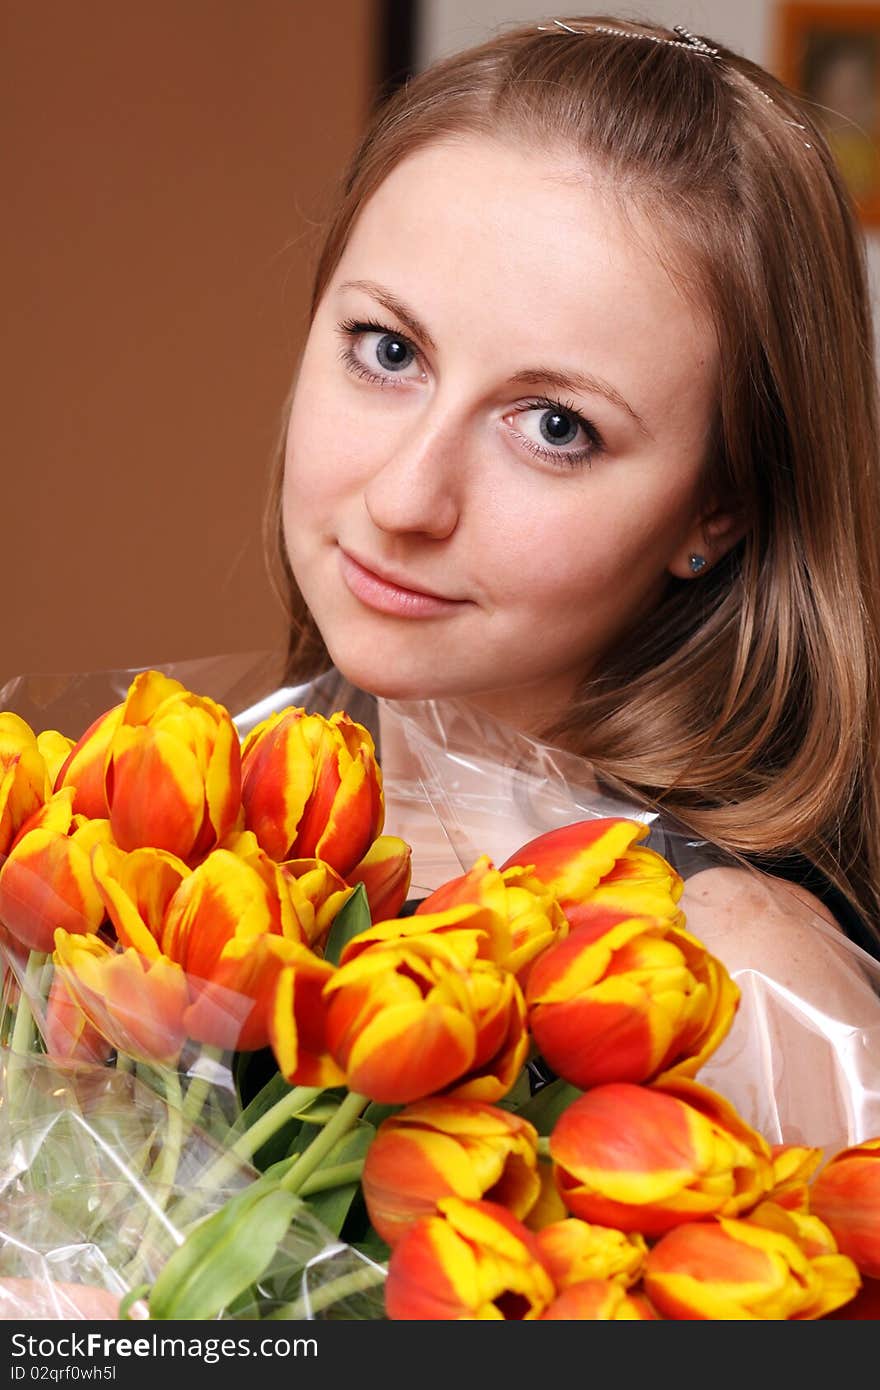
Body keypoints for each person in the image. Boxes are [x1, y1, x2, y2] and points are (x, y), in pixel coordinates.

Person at [259, 14, 880, 1144]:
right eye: (388, 351)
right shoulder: (178, 822)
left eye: (555, 425)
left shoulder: (741, 988)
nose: (405, 498)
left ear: (718, 507)